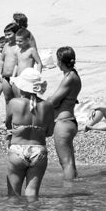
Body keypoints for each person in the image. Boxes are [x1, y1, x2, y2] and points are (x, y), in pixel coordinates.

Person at [3, 66, 53, 197]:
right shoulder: (48, 106)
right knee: (32, 194)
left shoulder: (13, 103)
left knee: (13, 195)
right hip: (38, 151)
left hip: (17, 149)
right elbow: (49, 132)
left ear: (21, 86)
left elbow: (8, 124)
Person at [45, 46, 82, 180]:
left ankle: (69, 192)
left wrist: (46, 100)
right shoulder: (72, 75)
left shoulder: (69, 78)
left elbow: (53, 102)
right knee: (70, 163)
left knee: (65, 163)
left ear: (60, 61)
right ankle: (74, 185)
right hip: (69, 121)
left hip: (63, 124)